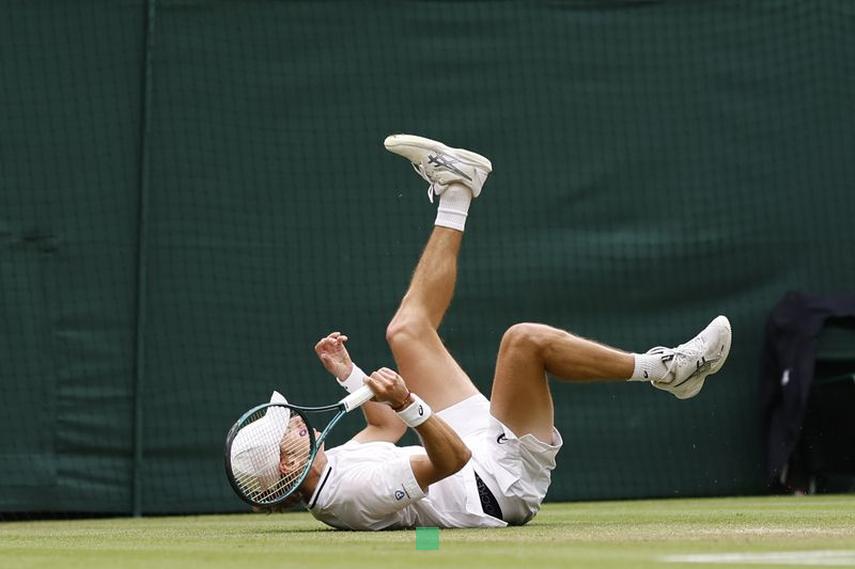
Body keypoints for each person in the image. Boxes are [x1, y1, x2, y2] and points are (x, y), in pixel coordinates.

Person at [268, 134, 732, 529]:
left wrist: (349, 375)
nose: (290, 419)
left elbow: (385, 428)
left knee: (406, 330)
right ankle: (667, 370)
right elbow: (451, 461)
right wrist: (408, 402)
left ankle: (456, 189)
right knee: (523, 341)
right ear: (287, 466)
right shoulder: (351, 493)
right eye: (281, 432)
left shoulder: (331, 471)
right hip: (497, 482)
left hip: (469, 449)